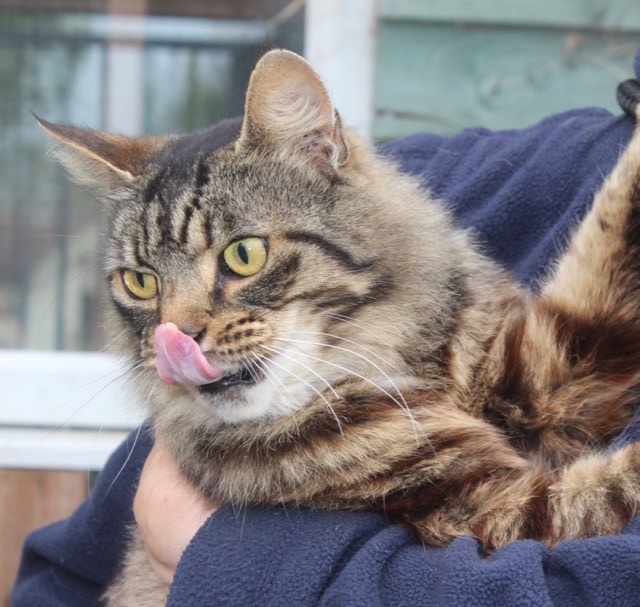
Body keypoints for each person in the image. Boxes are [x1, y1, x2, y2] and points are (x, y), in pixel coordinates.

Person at [12, 49, 640, 607]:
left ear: (320, 155)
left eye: (241, 257)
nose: (181, 326)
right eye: (142, 284)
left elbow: (575, 382)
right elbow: (526, 517)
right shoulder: (249, 420)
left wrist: (225, 561)